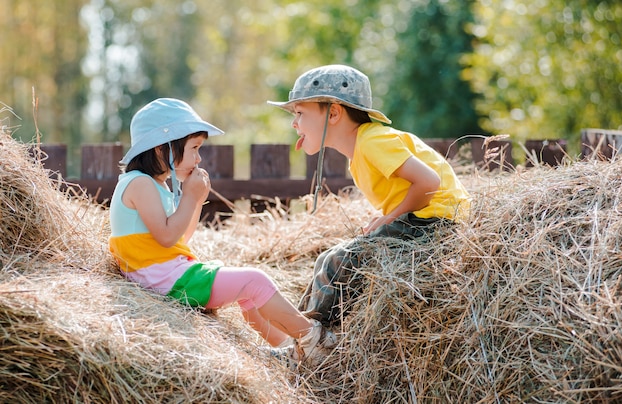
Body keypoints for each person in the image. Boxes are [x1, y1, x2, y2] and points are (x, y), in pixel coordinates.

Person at [108, 98, 336, 365]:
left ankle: (289, 350)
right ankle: (315, 341)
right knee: (255, 281)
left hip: (166, 277)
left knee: (248, 296)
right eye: (194, 148)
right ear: (162, 149)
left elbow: (179, 240)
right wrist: (190, 198)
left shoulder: (153, 185)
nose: (198, 157)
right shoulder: (140, 184)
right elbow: (168, 237)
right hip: (166, 283)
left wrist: (195, 200)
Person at [268, 64, 470, 326]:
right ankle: (296, 335)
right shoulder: (360, 151)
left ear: (334, 113)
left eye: (299, 113)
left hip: (437, 221)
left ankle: (312, 342)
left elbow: (429, 182)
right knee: (326, 260)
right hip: (423, 218)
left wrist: (390, 218)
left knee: (338, 261)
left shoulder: (372, 141)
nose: (294, 123)